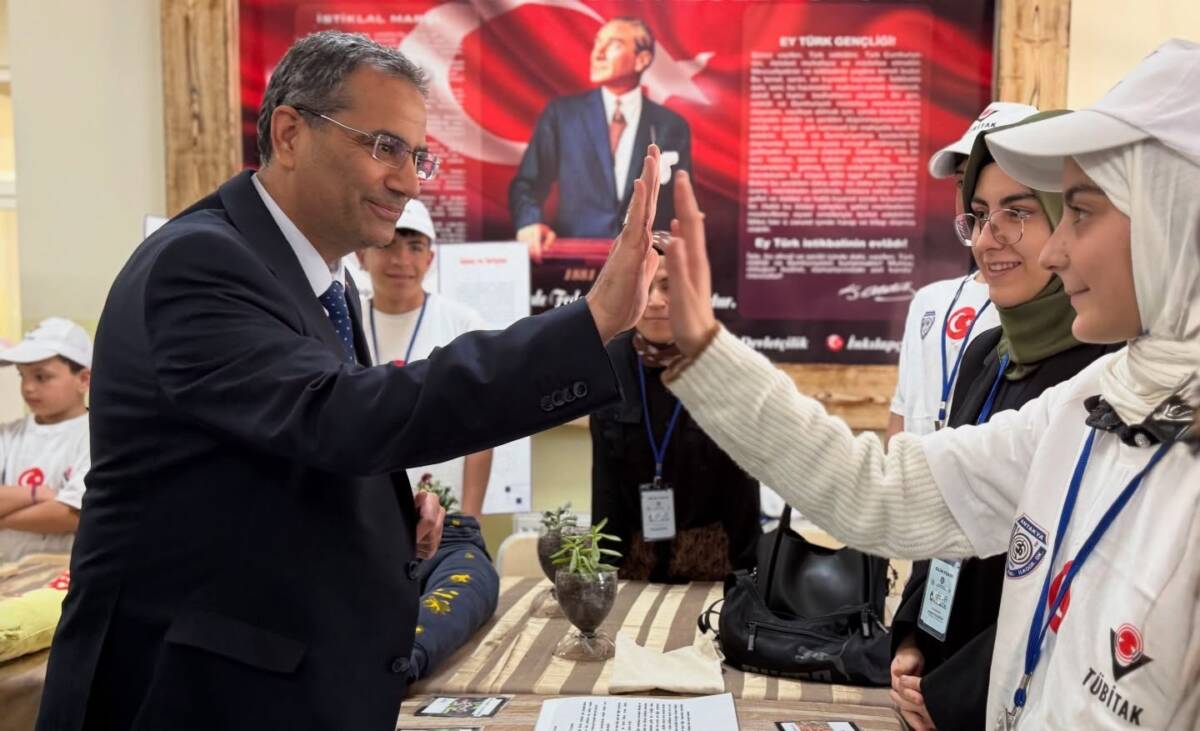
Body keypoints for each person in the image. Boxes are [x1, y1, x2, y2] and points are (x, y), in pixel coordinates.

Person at [36, 31, 665, 731]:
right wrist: (590, 323)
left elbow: (286, 452)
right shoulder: (199, 264)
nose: (410, 182)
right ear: (290, 133)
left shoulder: (316, 281)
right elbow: (339, 416)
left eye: (417, 156)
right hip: (183, 697)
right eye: (384, 147)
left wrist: (387, 521)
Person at [661, 39, 1200, 728]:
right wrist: (705, 351)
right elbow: (881, 489)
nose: (1054, 248)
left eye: (1081, 211)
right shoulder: (1095, 397)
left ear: (1173, 217)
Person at [889, 112, 1121, 731]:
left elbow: (1079, 584)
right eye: (979, 215)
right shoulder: (987, 353)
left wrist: (957, 693)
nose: (988, 239)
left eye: (1017, 212)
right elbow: (948, 500)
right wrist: (913, 637)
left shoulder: (1105, 375)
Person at [590, 255, 759, 583]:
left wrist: (749, 577)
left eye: (668, 286)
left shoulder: (727, 364)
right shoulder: (609, 362)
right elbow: (605, 482)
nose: (655, 300)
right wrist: (603, 571)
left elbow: (743, 491)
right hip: (632, 566)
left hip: (714, 567)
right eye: (645, 287)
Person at [888, 103, 1036, 440]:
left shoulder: (1050, 309)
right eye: (962, 181)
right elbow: (901, 414)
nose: (971, 195)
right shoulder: (929, 300)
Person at [509, 16, 692, 262]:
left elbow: (682, 206)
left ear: (642, 59)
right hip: (573, 262)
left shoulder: (671, 125)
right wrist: (529, 222)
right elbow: (526, 184)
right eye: (597, 43)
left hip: (645, 267)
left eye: (614, 45)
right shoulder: (562, 115)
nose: (598, 53)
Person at [358, 198, 493, 517]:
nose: (401, 260)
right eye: (388, 244)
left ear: (430, 258)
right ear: (361, 256)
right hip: (362, 509)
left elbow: (481, 431)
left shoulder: (463, 325)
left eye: (415, 247)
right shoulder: (346, 321)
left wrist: (469, 521)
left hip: (444, 512)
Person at [0, 318, 92, 561]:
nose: (28, 387)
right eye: (22, 376)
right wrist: (36, 494)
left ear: (84, 379)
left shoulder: (95, 436)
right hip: (8, 573)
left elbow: (72, 515)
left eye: (41, 377)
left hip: (64, 572)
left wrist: (4, 518)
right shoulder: (7, 435)